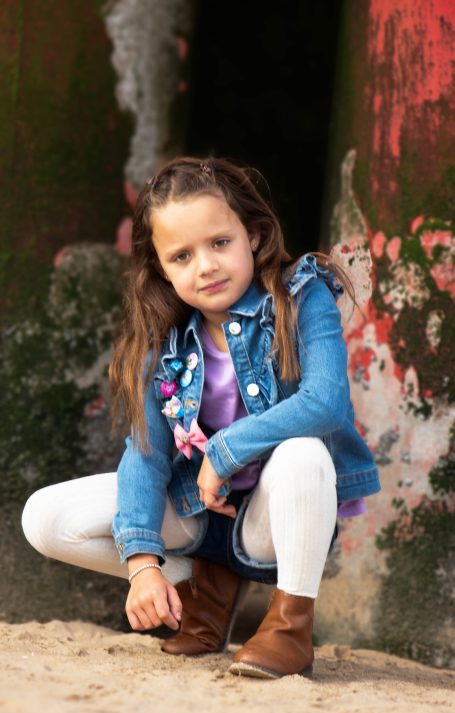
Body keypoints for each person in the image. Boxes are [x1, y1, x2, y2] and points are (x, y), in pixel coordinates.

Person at [22, 156, 381, 679]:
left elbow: (325, 401)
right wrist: (142, 564)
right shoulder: (163, 338)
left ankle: (290, 627)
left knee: (305, 450)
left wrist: (225, 449)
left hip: (269, 516)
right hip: (197, 515)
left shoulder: (302, 297)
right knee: (44, 518)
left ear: (253, 236)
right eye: (182, 256)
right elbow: (146, 454)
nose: (205, 266)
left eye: (219, 243)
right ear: (163, 270)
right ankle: (203, 588)